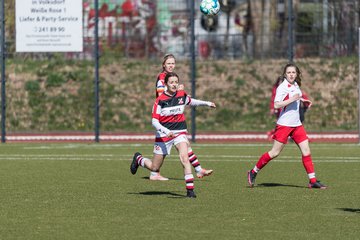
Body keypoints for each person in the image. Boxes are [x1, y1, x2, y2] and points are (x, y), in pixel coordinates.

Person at [130, 72, 216, 198]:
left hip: (179, 133)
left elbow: (192, 102)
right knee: (154, 167)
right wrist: (166, 131)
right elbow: (154, 121)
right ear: (166, 84)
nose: (174, 85)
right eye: (171, 82)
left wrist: (207, 103)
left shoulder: (181, 95)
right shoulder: (160, 101)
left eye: (176, 82)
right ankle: (139, 159)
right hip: (164, 135)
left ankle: (190, 191)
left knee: (184, 158)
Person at [247, 63, 327, 189]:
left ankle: (312, 180)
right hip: (284, 125)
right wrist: (293, 99)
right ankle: (253, 171)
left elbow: (295, 96)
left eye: (293, 72)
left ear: (297, 74)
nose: (291, 74)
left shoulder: (295, 85)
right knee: (274, 153)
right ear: (285, 74)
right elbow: (277, 105)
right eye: (289, 72)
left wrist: (302, 100)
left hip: (297, 125)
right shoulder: (282, 87)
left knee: (306, 151)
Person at [149, 53, 213, 181]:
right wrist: (177, 90)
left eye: (173, 63)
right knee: (157, 163)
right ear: (163, 65)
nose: (171, 65)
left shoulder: (170, 77)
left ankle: (198, 170)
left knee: (185, 146)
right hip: (164, 117)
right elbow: (162, 95)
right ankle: (149, 168)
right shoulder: (162, 78)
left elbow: (183, 98)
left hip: (172, 116)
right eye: (169, 63)